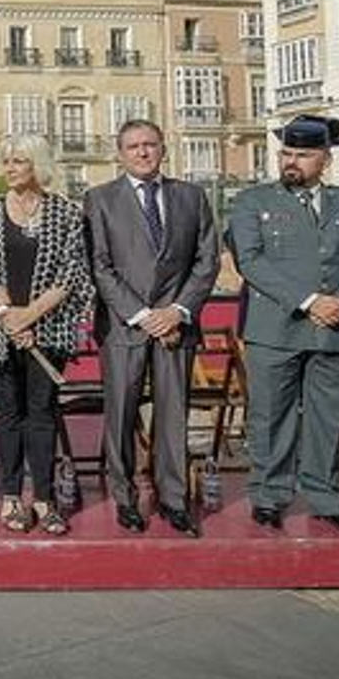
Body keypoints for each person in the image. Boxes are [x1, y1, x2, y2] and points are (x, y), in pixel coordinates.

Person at [227, 114, 339, 535]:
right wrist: (310, 301)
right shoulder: (253, 202)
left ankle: (325, 496)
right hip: (275, 330)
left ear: (325, 159)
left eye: (302, 154)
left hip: (338, 328)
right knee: (269, 416)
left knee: (330, 417)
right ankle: (268, 495)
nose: (291, 162)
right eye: (286, 153)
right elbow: (251, 262)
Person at [83, 120, 219, 538]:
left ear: (163, 148)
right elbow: (99, 267)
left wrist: (176, 312)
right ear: (119, 153)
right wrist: (144, 315)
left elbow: (207, 260)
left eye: (150, 145)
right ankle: (124, 499)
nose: (142, 152)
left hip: (177, 326)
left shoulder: (192, 197)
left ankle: (174, 501)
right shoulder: (99, 199)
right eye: (133, 146)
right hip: (124, 327)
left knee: (173, 415)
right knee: (121, 415)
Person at [0, 134, 94, 536]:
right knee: (7, 413)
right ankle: (10, 497)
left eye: (18, 161)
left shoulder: (65, 213)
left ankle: (44, 498)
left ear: (37, 165)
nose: (9, 168)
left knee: (41, 413)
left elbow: (72, 274)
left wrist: (30, 317)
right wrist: (8, 314)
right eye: (6, 161)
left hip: (48, 330)